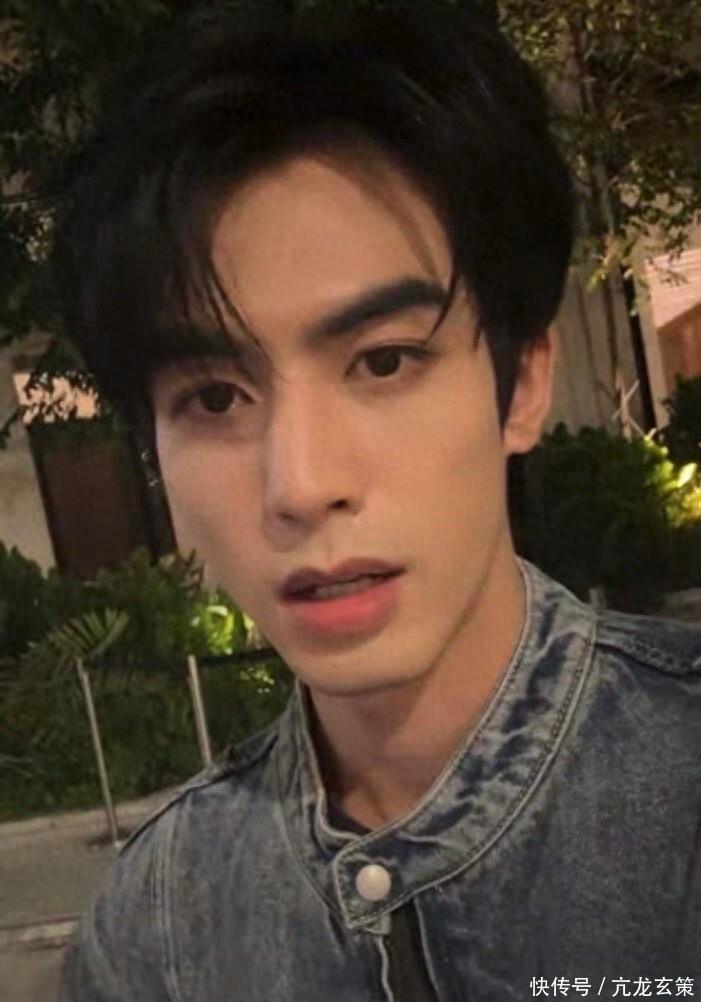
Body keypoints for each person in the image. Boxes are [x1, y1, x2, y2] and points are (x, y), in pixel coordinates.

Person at [55, 2, 700, 999]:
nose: (302, 485)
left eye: (384, 360)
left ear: (521, 382)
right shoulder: (159, 932)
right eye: (215, 399)